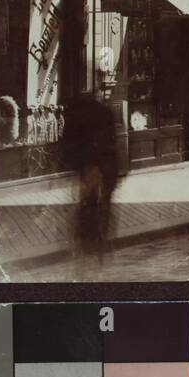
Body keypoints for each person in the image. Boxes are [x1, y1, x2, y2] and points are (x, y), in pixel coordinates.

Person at [61, 91, 120, 265]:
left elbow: (69, 143)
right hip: (104, 166)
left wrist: (73, 164)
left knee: (90, 202)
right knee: (100, 204)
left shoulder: (79, 114)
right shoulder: (105, 112)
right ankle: (98, 243)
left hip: (93, 166)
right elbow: (111, 142)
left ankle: (90, 243)